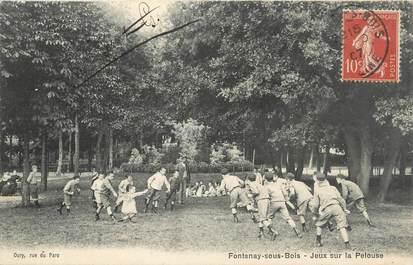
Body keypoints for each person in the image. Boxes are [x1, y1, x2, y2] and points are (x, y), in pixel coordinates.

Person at [310, 172, 351, 248]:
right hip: (337, 207)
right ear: (325, 179)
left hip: (327, 209)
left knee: (319, 223)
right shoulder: (333, 188)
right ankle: (347, 244)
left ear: (318, 181)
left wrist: (315, 213)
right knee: (342, 226)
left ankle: (318, 241)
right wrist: (344, 209)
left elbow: (315, 204)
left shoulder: (317, 190)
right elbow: (341, 200)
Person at [264, 172, 302, 238]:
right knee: (288, 218)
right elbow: (284, 193)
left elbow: (267, 196)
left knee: (269, 217)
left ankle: (272, 231)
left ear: (266, 179)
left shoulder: (266, 187)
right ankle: (296, 230)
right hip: (282, 202)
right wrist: (286, 199)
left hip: (274, 202)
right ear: (273, 178)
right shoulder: (278, 184)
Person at [246, 174, 278, 239]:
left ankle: (273, 231)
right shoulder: (258, 184)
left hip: (262, 201)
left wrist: (251, 195)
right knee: (261, 217)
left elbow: (256, 192)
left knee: (263, 219)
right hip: (267, 200)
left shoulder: (251, 184)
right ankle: (261, 233)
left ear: (248, 179)